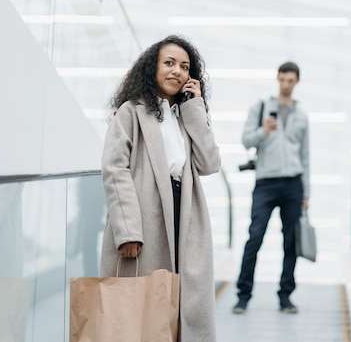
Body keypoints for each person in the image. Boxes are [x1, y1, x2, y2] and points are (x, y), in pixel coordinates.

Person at [99, 35, 221, 341]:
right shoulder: (131, 112)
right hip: (146, 218)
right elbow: (115, 169)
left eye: (184, 67)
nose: (177, 71)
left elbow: (209, 163)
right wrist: (128, 231)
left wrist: (195, 108)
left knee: (183, 307)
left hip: (185, 218)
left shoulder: (183, 118)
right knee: (143, 311)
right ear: (151, 68)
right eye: (169, 63)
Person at [233, 61, 310, 314]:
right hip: (266, 182)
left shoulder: (301, 115)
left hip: (293, 184)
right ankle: (243, 295)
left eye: (291, 80)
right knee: (255, 237)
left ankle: (285, 296)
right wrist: (263, 131)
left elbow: (305, 155)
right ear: (278, 79)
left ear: (296, 81)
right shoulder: (262, 107)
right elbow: (246, 140)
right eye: (283, 79)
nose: (286, 84)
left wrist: (306, 192)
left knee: (291, 242)